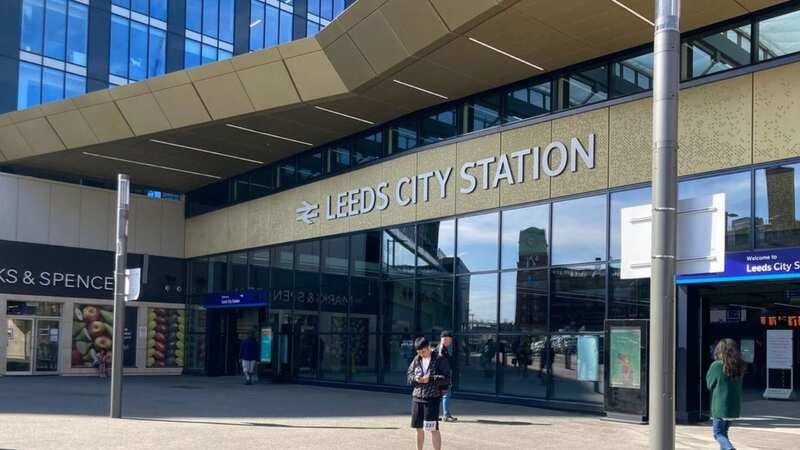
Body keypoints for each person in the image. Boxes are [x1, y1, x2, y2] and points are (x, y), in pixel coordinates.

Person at [407, 337, 450, 450]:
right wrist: (415, 378)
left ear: (429, 348)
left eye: (423, 352)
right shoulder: (417, 359)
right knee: (418, 428)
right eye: (419, 352)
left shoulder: (440, 359)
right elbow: (409, 375)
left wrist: (430, 378)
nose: (422, 354)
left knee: (433, 429)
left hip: (432, 398)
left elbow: (447, 378)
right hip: (417, 398)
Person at [706, 338, 745, 450]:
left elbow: (710, 384)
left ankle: (730, 449)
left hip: (720, 406)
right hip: (734, 406)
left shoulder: (717, 365)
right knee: (724, 433)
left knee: (717, 433)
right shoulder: (739, 365)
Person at [437, 330, 457, 422]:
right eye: (448, 340)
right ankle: (446, 415)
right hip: (442, 377)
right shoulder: (441, 349)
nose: (449, 342)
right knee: (445, 395)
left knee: (439, 396)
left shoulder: (442, 348)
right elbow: (442, 364)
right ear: (444, 339)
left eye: (450, 340)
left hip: (441, 376)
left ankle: (436, 415)